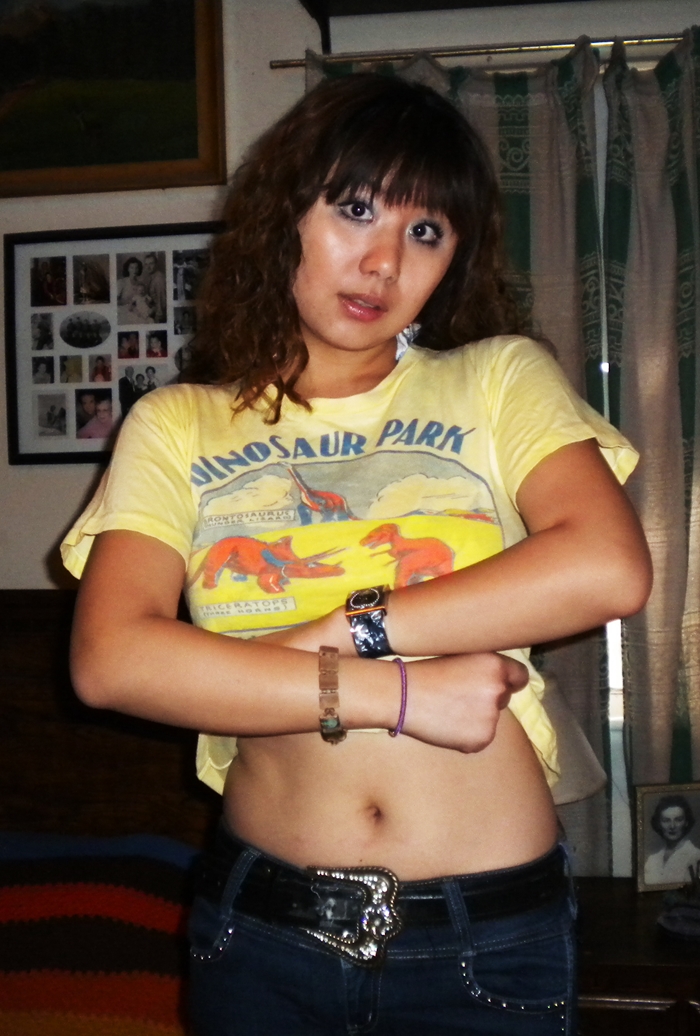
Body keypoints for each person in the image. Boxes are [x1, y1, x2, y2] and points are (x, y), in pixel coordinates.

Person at [62, 75, 652, 1036]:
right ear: (284, 215)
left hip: (483, 938)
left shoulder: (499, 378)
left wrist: (347, 630)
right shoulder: (176, 424)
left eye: (426, 231)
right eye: (354, 209)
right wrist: (397, 693)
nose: (383, 261)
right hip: (262, 930)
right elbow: (110, 661)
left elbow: (606, 567)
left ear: (455, 258)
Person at [644, 796, 700, 886]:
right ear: (659, 823)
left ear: (686, 822)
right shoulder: (652, 860)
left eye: (678, 820)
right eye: (666, 820)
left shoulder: (695, 856)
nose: (672, 826)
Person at [142, 252, 167, 323]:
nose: (148, 267)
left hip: (158, 315)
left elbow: (162, 301)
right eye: (146, 264)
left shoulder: (158, 278)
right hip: (152, 311)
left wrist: (158, 317)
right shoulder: (150, 277)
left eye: (151, 263)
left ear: (156, 264)